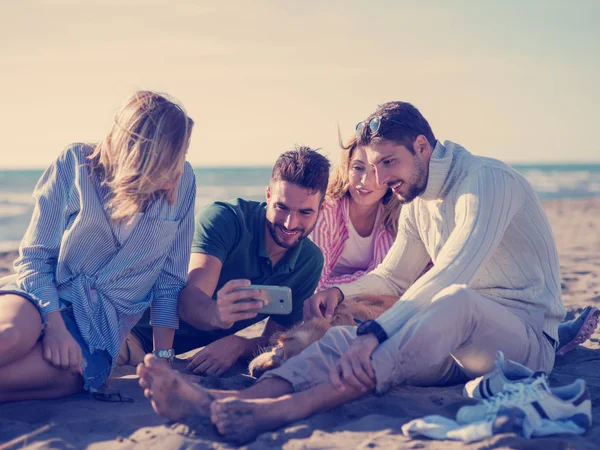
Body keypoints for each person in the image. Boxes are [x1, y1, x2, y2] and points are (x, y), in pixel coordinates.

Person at [137, 100, 570, 443]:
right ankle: (233, 401)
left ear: (422, 146)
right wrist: (342, 296)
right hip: (457, 347)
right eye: (372, 164)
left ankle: (286, 411)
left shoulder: (486, 181)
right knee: (344, 337)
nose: (379, 177)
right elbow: (393, 277)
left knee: (445, 304)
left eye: (389, 163)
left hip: (524, 342)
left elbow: (451, 276)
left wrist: (378, 334)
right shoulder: (418, 204)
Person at [0, 91, 195, 402]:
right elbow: (35, 258)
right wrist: (55, 326)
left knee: (31, 378)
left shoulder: (184, 183)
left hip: (99, 333)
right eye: (167, 162)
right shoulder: (75, 163)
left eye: (182, 155)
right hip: (42, 295)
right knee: (9, 338)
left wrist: (163, 358)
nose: (177, 173)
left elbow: (169, 282)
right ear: (140, 157)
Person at [120, 146, 330, 375]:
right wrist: (215, 314)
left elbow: (276, 341)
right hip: (126, 331)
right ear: (268, 196)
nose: (291, 223)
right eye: (282, 207)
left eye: (305, 213)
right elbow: (189, 300)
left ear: (321, 207)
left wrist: (239, 345)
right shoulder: (224, 219)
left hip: (160, 358)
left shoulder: (309, 261)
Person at [310, 135, 401, 298]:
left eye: (375, 170)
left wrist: (377, 281)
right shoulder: (325, 211)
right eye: (358, 168)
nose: (365, 181)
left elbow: (390, 281)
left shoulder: (396, 215)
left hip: (373, 302)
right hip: (327, 303)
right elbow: (317, 286)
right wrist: (370, 279)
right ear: (346, 168)